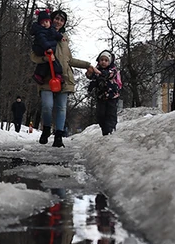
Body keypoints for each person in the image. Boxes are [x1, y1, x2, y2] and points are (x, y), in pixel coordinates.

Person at [30, 9, 94, 148]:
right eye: (56, 19)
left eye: (62, 20)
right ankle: (46, 129)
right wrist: (45, 58)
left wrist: (88, 65)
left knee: (61, 108)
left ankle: (58, 137)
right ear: (51, 19)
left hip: (63, 76)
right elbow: (33, 56)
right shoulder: (42, 33)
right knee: (47, 106)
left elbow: (69, 60)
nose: (58, 22)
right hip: (47, 76)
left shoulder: (64, 38)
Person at [86, 50, 122, 135]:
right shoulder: (97, 70)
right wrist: (89, 73)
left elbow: (108, 74)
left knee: (111, 113)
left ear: (109, 62)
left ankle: (111, 128)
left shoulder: (113, 70)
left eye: (106, 60)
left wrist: (99, 73)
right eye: (102, 60)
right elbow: (92, 77)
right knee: (100, 114)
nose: (103, 62)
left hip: (112, 96)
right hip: (101, 96)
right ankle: (104, 129)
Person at [30, 9, 64, 86]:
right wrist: (48, 48)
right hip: (41, 48)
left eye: (46, 22)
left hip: (48, 47)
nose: (45, 24)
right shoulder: (40, 31)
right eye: (42, 23)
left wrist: (61, 37)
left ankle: (39, 75)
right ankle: (58, 74)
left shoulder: (51, 29)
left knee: (47, 62)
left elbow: (56, 34)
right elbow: (43, 41)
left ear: (49, 22)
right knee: (53, 60)